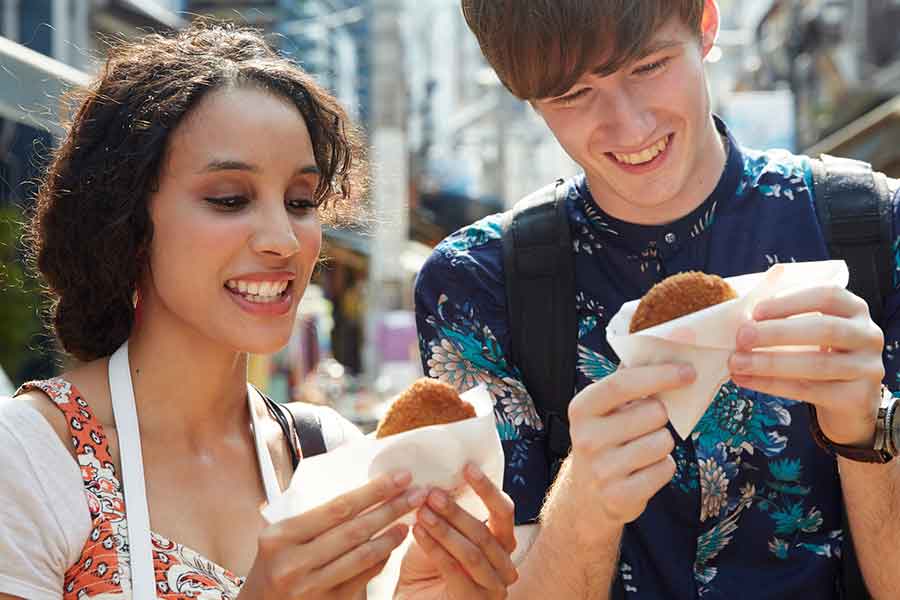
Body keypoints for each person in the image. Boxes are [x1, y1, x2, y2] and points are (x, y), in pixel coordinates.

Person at [0, 23, 517, 600]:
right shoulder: (30, 458)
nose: (284, 240)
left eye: (300, 202)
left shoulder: (330, 453)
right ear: (128, 222)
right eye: (229, 199)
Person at [413, 1, 900, 598]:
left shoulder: (876, 230)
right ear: (527, 96)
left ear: (706, 24)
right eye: (571, 95)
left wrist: (868, 430)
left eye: (647, 67)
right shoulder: (475, 285)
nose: (629, 126)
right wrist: (585, 503)